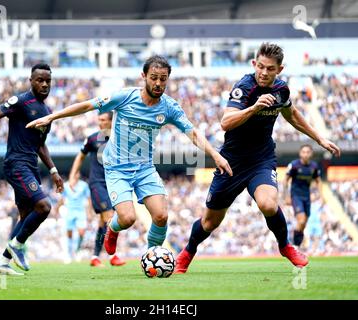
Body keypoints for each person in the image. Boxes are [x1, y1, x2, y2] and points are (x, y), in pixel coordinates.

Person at [26, 55, 232, 259]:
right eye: (154, 77)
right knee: (127, 218)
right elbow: (88, 105)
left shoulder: (169, 107)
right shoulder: (125, 97)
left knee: (161, 216)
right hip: (117, 168)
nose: (158, 83)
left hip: (145, 168)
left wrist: (216, 155)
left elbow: (193, 133)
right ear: (143, 75)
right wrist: (52, 116)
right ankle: (112, 229)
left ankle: (152, 257)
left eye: (163, 79)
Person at [174, 42, 341, 273]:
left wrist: (319, 139)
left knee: (268, 204)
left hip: (261, 159)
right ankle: (188, 252)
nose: (263, 72)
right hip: (231, 162)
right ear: (254, 64)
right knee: (210, 222)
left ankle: (285, 246)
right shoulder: (244, 87)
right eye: (260, 66)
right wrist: (253, 108)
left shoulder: (282, 90)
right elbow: (226, 122)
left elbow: (291, 114)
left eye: (270, 68)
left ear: (279, 70)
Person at [0, 63, 64, 275]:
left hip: (31, 166)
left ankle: (2, 263)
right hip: (16, 164)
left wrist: (54, 171)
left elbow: (40, 145)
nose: (44, 84)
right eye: (40, 80)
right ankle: (17, 246)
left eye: (48, 81)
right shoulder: (20, 101)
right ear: (31, 81)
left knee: (26, 214)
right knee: (44, 207)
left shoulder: (47, 112)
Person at [68, 112, 126, 267]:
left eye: (103, 120)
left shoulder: (120, 139)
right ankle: (113, 255)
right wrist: (73, 175)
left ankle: (95, 256)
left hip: (113, 184)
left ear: (111, 121)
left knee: (102, 222)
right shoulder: (93, 138)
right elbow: (80, 156)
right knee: (110, 217)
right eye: (99, 120)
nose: (100, 123)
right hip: (97, 184)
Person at [283, 144, 324, 248]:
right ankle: (294, 247)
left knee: (303, 224)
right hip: (296, 196)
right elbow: (285, 180)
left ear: (311, 154)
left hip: (307, 197)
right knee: (301, 221)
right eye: (303, 152)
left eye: (308, 152)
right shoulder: (294, 165)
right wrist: (286, 196)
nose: (305, 154)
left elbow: (318, 181)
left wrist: (321, 196)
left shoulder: (314, 166)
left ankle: (297, 246)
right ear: (300, 153)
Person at [54, 171, 91, 264]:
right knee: (69, 234)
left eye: (77, 173)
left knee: (82, 232)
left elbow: (88, 198)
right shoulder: (66, 185)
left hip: (80, 211)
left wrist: (89, 212)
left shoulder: (84, 185)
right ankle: (69, 254)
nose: (76, 175)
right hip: (69, 211)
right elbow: (62, 199)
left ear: (79, 175)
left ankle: (77, 250)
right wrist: (57, 208)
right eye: (74, 173)